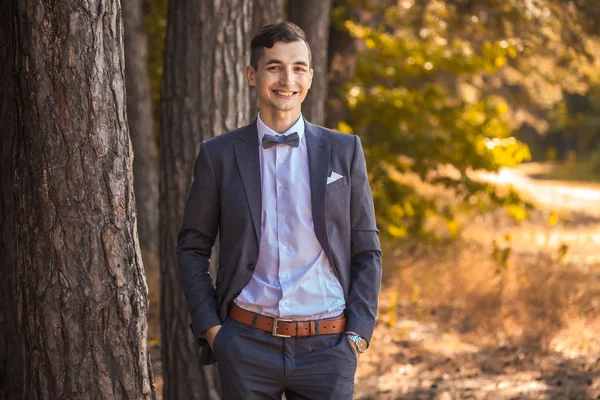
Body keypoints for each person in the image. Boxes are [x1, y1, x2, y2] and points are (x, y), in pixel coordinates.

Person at [177, 21, 381, 399]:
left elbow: (366, 248)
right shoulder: (218, 155)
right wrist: (213, 331)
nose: (287, 78)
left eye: (298, 67)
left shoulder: (344, 150)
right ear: (252, 75)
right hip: (247, 345)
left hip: (329, 347)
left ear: (310, 76)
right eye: (274, 66)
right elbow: (192, 249)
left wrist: (358, 334)